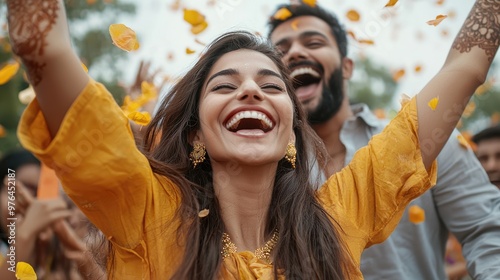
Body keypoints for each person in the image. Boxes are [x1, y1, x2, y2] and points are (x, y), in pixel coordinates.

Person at [6, 0, 499, 278]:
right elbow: (40, 45)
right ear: (197, 131)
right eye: (225, 85)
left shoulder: (337, 215)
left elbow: (466, 66)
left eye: (271, 86)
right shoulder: (144, 207)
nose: (249, 90)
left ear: (289, 127)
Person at [267, 2, 500, 279]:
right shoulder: (264, 169)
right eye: (281, 51)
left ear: (346, 67)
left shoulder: (428, 139)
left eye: (313, 42)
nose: (294, 53)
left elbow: (486, 228)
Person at [0, 149, 105, 279]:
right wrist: (26, 233)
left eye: (40, 195)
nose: (34, 206)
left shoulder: (59, 260)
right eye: (14, 193)